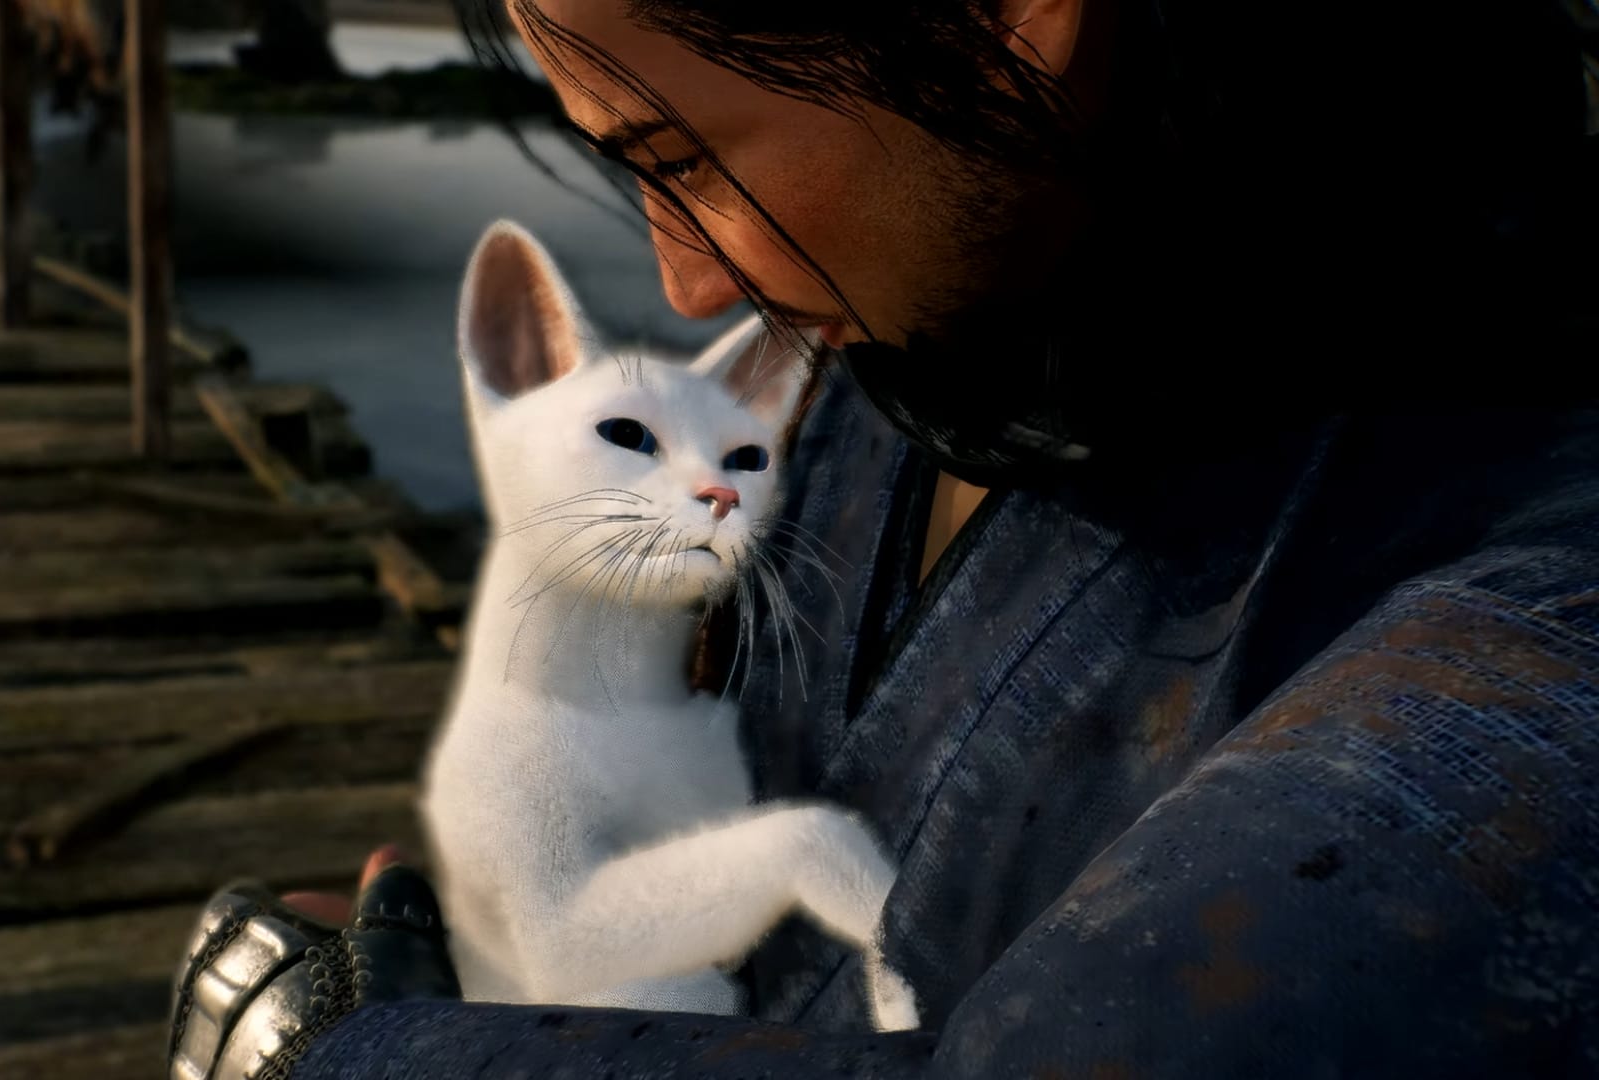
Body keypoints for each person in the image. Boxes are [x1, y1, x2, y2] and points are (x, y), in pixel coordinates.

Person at [169, 0, 1599, 1076]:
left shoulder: (1533, 605)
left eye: (679, 157)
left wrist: (364, 1046)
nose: (680, 278)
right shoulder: (947, 341)